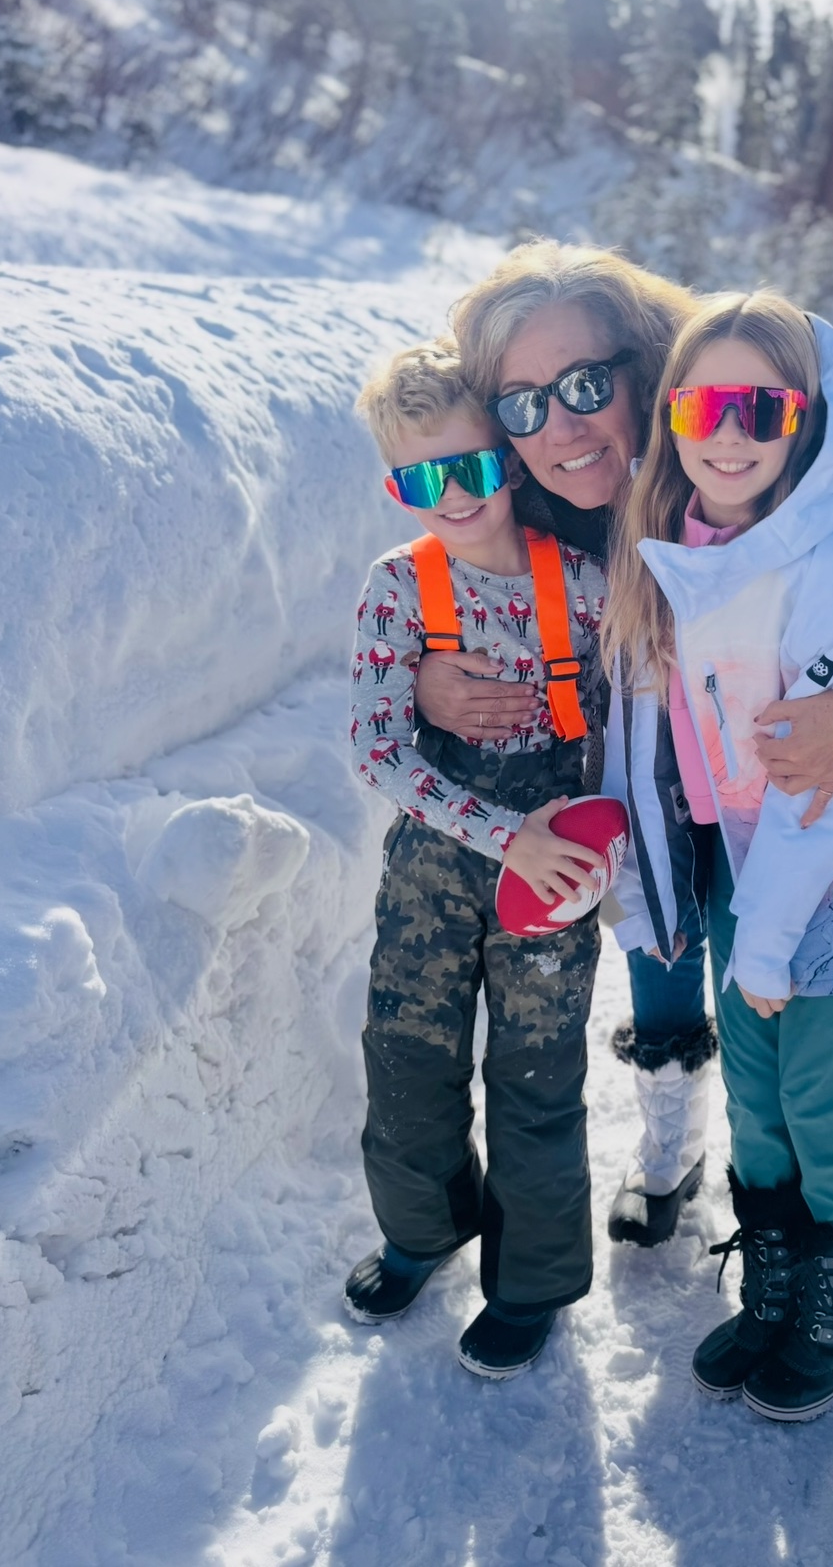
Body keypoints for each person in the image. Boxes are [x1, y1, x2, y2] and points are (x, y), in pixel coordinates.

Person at [413, 240, 833, 1250]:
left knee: (775, 1014)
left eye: (587, 385)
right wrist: (424, 676)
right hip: (656, 785)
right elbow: (440, 576)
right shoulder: (530, 492)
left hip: (772, 775)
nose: (562, 425)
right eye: (525, 403)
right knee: (662, 955)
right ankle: (669, 1152)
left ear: (647, 369)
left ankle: (806, 1236)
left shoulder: (735, 432)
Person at [601, 291, 833, 1423]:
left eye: (762, 407)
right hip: (747, 871)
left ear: (804, 420)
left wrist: (771, 935)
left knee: (820, 1101)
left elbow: (831, 775)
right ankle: (779, 1286)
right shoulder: (682, 550)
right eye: (704, 405)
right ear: (672, 416)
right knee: (755, 1095)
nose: (730, 433)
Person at [345, 337, 609, 1380]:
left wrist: (587, 839)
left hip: (554, 871)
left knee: (538, 1073)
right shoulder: (398, 588)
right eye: (421, 480)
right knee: (406, 1054)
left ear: (508, 454)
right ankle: (423, 1227)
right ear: (395, 486)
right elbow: (377, 747)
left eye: (469, 466)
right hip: (433, 866)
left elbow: (632, 716)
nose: (451, 496)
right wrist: (506, 835)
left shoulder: (583, 582)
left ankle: (531, 1282)